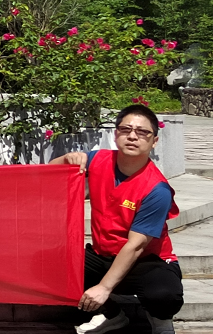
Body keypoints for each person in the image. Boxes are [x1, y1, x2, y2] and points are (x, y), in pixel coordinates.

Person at [52, 104, 182, 334]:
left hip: (147, 260)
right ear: (116, 134)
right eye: (126, 129)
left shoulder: (157, 189)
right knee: (49, 267)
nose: (132, 136)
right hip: (102, 254)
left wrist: (103, 288)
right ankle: (112, 315)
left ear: (154, 141)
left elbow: (135, 246)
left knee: (164, 295)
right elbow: (47, 171)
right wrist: (66, 159)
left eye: (142, 132)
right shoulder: (98, 159)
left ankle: (161, 321)